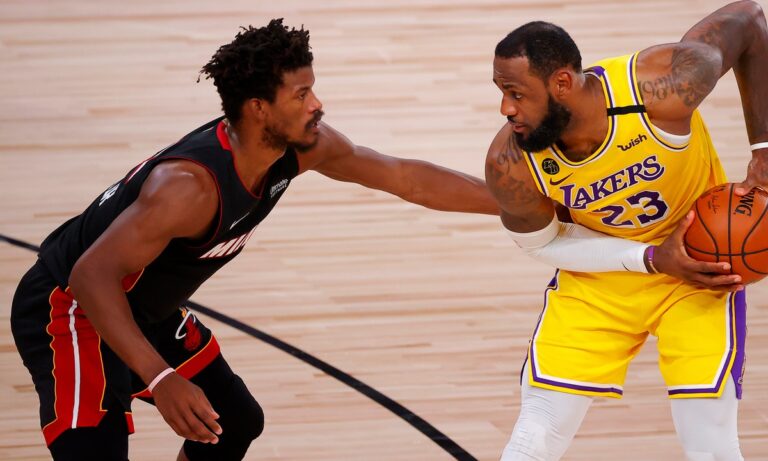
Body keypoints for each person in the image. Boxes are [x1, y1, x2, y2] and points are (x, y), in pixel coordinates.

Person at [10, 19, 498, 461]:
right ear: (259, 108)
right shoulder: (188, 188)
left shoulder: (303, 147)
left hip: (144, 307)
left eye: (313, 89)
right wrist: (161, 378)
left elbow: (406, 178)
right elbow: (90, 276)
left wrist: (515, 203)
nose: (317, 104)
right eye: (301, 95)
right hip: (72, 307)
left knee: (235, 421)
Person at [485, 1, 768, 460]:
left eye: (516, 93)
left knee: (712, 447)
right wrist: (649, 259)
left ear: (562, 83)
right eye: (501, 92)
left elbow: (750, 19)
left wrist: (764, 146)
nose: (506, 108)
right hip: (603, 276)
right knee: (534, 438)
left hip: (699, 271)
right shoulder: (511, 162)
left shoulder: (660, 87)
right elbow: (544, 244)